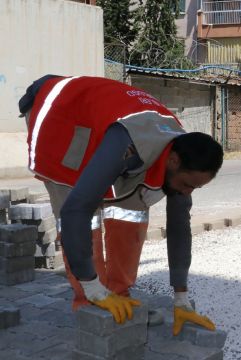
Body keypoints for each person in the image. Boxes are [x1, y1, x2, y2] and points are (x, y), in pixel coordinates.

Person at [18, 75, 223, 334]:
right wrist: (92, 285)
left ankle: (120, 296)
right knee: (82, 207)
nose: (187, 192)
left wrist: (181, 298)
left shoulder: (181, 151)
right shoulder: (127, 143)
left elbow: (179, 227)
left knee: (130, 214)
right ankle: (90, 302)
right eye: (187, 185)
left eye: (195, 187)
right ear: (173, 162)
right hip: (59, 115)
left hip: (105, 122)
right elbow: (74, 212)